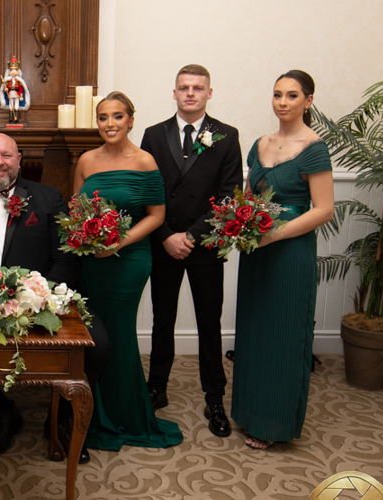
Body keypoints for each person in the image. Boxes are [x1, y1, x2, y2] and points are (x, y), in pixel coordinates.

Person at [0, 133, 109, 463]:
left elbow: (66, 256)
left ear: (19, 159)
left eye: (6, 155)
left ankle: (60, 418)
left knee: (100, 345)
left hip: (46, 299)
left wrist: (41, 298)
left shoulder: (49, 198)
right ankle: (2, 411)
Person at [74, 92, 183, 451]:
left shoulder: (145, 161)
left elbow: (157, 215)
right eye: (103, 117)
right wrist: (87, 241)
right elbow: (76, 212)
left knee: (119, 335)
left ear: (130, 120)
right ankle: (92, 412)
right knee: (95, 337)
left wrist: (117, 243)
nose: (109, 124)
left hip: (130, 259)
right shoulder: (86, 161)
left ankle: (125, 415)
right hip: (93, 262)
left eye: (117, 117)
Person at [231, 70, 333, 450]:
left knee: (283, 335)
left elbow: (323, 210)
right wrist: (240, 225)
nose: (283, 102)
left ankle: (273, 423)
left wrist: (272, 234)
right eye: (277, 95)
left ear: (308, 101)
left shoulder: (314, 147)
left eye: (292, 95)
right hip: (255, 252)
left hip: (290, 253)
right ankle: (248, 412)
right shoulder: (259, 143)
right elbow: (247, 197)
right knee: (255, 331)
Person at [140, 64, 243, 438]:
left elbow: (230, 195)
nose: (190, 93)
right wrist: (167, 234)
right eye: (183, 87)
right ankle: (157, 387)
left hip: (204, 247)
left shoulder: (227, 136)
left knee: (208, 324)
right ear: (174, 92)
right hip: (163, 241)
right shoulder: (153, 134)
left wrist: (192, 236)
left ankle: (214, 397)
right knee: (162, 320)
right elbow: (146, 190)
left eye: (197, 88)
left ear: (209, 93)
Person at [0, 57, 30, 125]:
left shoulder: (19, 80)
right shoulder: (7, 80)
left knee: (16, 107)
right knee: (10, 107)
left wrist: (21, 96)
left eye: (15, 70)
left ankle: (17, 120)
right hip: (10, 94)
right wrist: (5, 89)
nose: (13, 72)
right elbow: (5, 87)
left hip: (17, 94)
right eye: (11, 70)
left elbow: (21, 88)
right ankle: (11, 120)